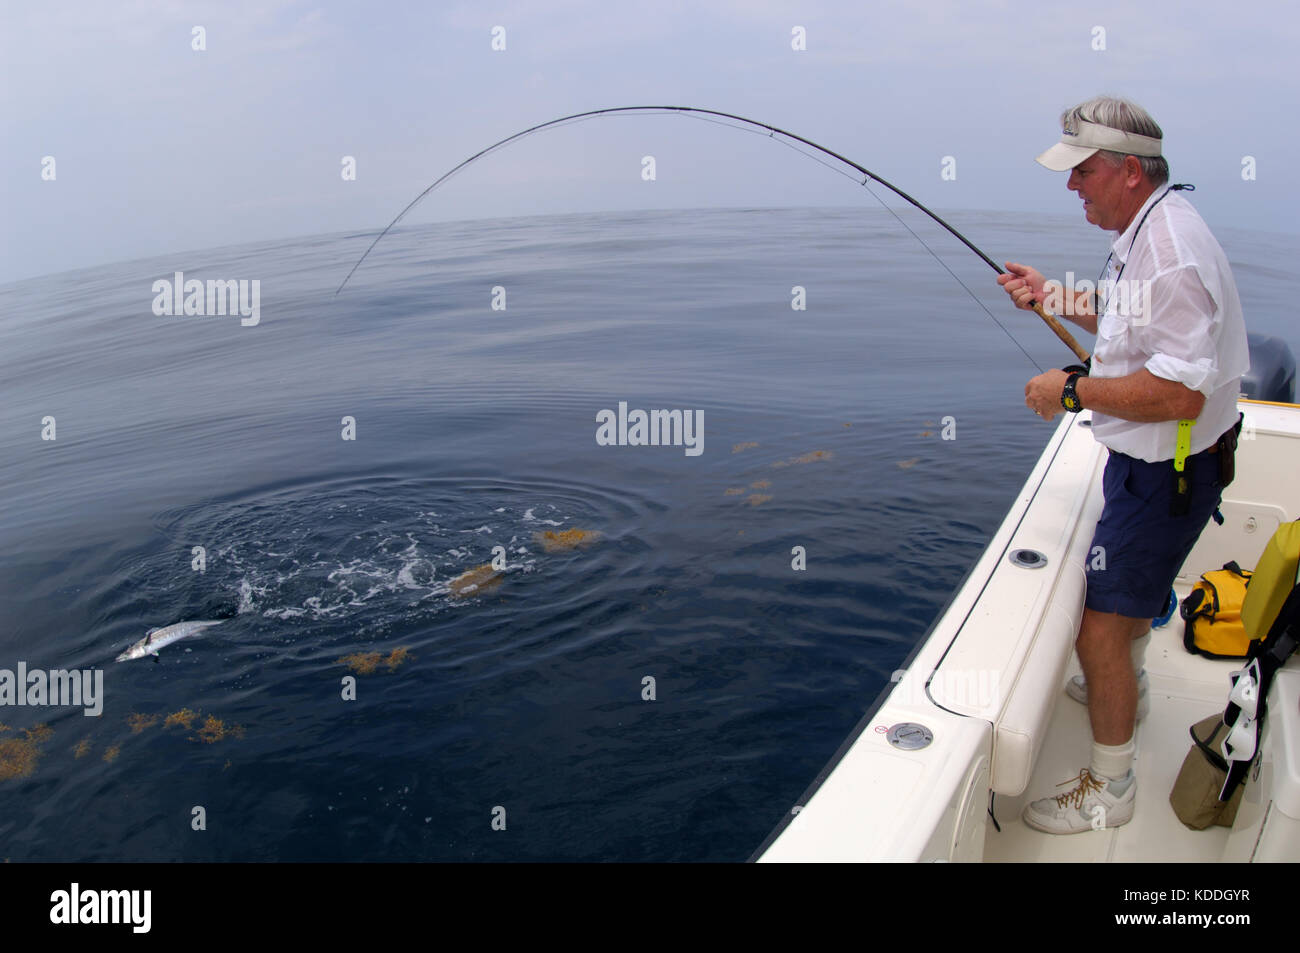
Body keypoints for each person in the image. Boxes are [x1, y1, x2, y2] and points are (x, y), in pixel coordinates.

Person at [997, 97, 1250, 835]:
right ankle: (1127, 684)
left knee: (1098, 628)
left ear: (1130, 173)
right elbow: (1124, 310)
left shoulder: (1169, 251)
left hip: (1167, 476)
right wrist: (1052, 295)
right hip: (1150, 467)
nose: (1073, 186)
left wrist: (1069, 388)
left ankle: (1111, 786)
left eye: (1084, 172)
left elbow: (1175, 392)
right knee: (1122, 601)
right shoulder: (1151, 229)